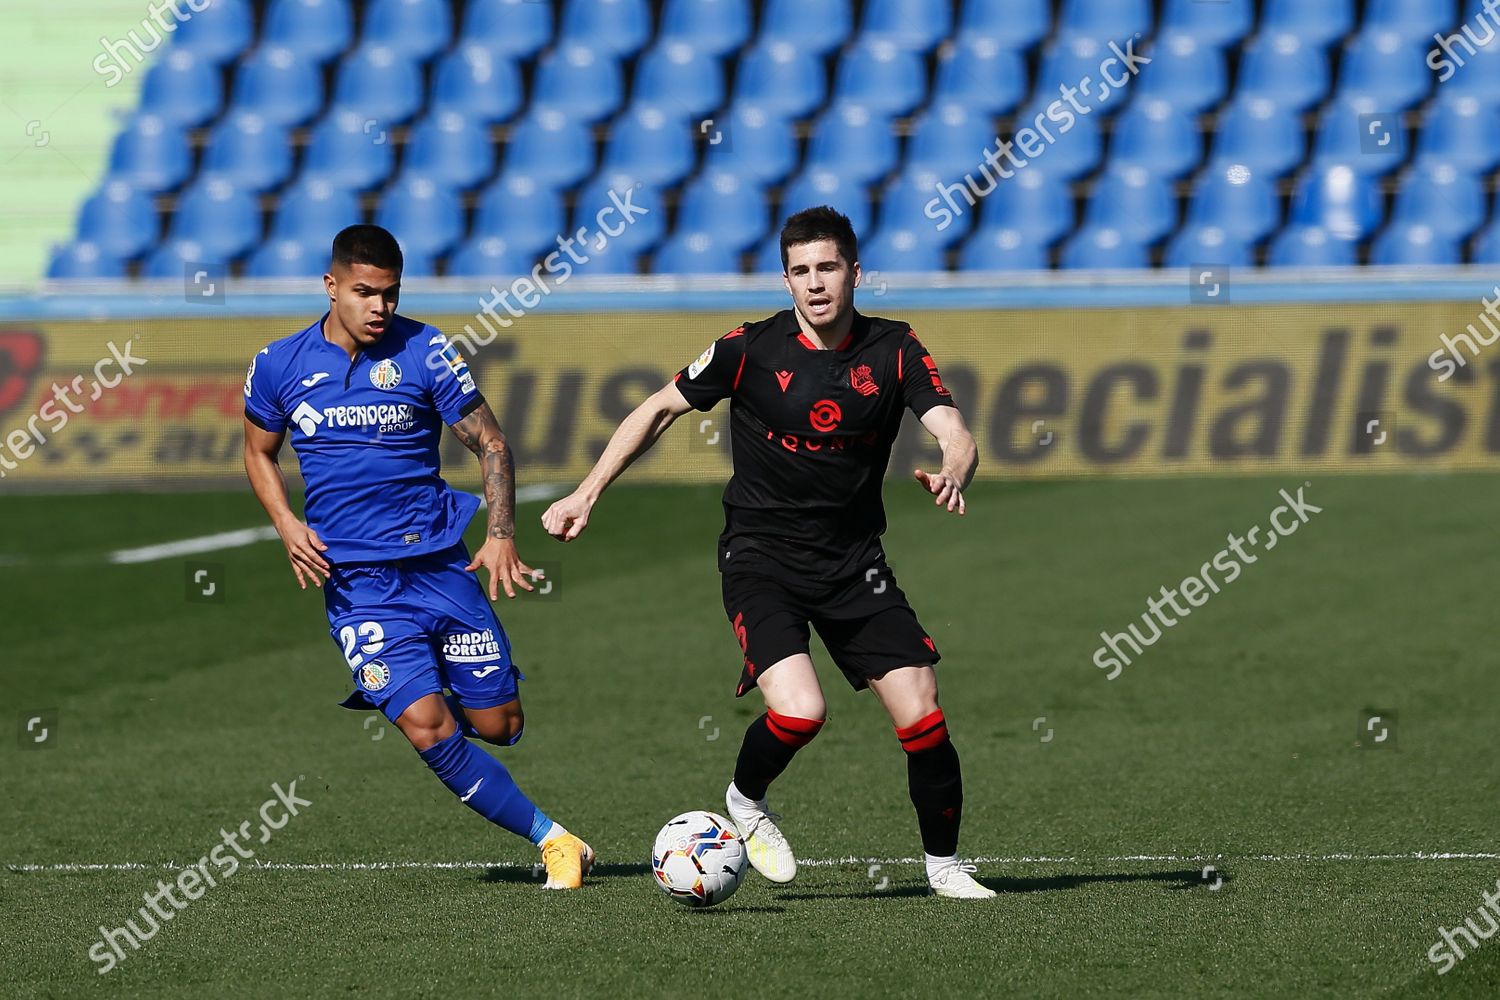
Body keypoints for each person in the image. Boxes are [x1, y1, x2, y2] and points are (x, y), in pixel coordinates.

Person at [542, 207, 992, 899]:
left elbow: (952, 427)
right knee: (802, 712)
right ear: (786, 279)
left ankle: (943, 868)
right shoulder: (748, 348)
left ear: (854, 273)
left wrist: (955, 467)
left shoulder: (894, 349)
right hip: (761, 558)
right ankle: (746, 799)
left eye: (829, 268)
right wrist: (588, 492)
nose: (816, 284)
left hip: (852, 563)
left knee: (923, 710)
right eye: (802, 271)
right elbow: (658, 408)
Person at [242, 224, 593, 889]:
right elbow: (258, 452)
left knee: (500, 724)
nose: (379, 308)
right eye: (364, 293)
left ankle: (434, 687)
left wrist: (501, 533)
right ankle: (555, 841)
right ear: (332, 286)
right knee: (426, 728)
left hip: (441, 569)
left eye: (390, 294)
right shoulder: (279, 364)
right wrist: (286, 522)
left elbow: (490, 442)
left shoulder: (427, 351)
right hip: (358, 585)